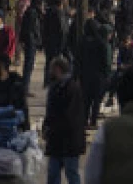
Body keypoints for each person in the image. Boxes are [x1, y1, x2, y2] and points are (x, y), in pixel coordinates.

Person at [44, 56, 85, 184]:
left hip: (69, 139)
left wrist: (52, 127)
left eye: (52, 69)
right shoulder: (56, 87)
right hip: (57, 139)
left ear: (58, 69)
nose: (50, 72)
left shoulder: (72, 88)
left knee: (71, 172)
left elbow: (71, 116)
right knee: (53, 173)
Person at [80, 11, 113, 129]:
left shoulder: (85, 42)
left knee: (87, 100)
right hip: (99, 77)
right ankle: (93, 122)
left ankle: (84, 121)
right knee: (96, 100)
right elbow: (107, 63)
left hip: (86, 75)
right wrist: (108, 76)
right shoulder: (104, 44)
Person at [19, 0, 44, 96]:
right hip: (30, 42)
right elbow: (30, 30)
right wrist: (34, 41)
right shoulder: (32, 13)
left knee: (29, 66)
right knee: (28, 66)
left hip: (30, 42)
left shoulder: (32, 11)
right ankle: (24, 89)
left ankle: (25, 88)